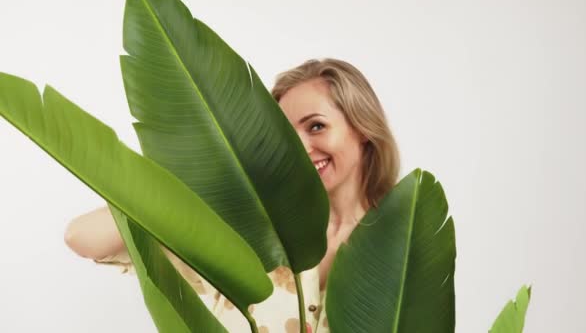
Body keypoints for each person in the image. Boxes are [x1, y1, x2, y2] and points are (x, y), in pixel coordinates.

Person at [64, 58, 400, 333]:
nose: (298, 148)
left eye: (316, 126)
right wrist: (203, 180)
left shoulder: (402, 242)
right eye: (284, 135)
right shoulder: (242, 225)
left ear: (361, 128)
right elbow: (83, 237)